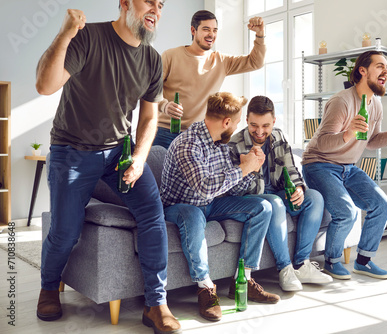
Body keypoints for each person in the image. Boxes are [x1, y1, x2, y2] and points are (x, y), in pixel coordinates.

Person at [35, 1, 181, 333]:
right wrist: (64, 34)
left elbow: (148, 116)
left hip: (119, 154)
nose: (155, 9)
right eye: (149, 1)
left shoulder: (152, 60)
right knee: (66, 229)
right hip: (71, 151)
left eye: (161, 4)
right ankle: (49, 285)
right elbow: (45, 86)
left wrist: (141, 157)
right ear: (125, 4)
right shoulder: (88, 38)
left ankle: (156, 304)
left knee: (152, 214)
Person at [161, 92, 280, 322]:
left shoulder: (221, 145)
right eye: (236, 123)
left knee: (263, 207)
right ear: (226, 122)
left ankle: (242, 280)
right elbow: (204, 188)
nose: (236, 128)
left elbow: (232, 189)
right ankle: (206, 288)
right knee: (193, 215)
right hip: (178, 206)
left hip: (211, 204)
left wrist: (250, 167)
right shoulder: (188, 144)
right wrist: (243, 169)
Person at [302, 50, 387, 281]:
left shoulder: (376, 105)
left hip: (348, 167)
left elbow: (370, 142)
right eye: (380, 66)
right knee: (346, 212)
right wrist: (348, 133)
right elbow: (322, 142)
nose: (386, 70)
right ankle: (331, 262)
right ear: (362, 71)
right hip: (320, 164)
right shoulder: (341, 101)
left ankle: (363, 262)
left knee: (381, 204)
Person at [228, 96, 333, 292]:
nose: (259, 132)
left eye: (265, 125)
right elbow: (234, 190)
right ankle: (285, 268)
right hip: (254, 199)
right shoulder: (235, 145)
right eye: (254, 125)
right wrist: (249, 167)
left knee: (315, 198)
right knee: (275, 202)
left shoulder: (278, 136)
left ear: (274, 122)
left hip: (277, 194)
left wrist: (299, 188)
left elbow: (291, 168)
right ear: (246, 121)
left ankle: (301, 264)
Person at [152, 9, 266, 149]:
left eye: (215, 30)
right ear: (193, 30)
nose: (211, 34)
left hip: (198, 135)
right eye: (206, 29)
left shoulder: (221, 61)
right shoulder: (170, 56)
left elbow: (255, 62)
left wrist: (260, 35)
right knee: (158, 169)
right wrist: (165, 105)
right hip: (165, 132)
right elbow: (150, 88)